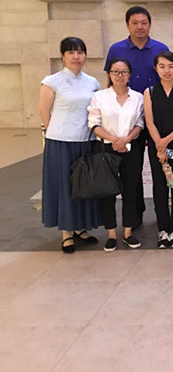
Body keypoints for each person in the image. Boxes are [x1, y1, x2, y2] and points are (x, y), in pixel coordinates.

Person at [104, 6, 169, 229]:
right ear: (127, 25)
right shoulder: (116, 49)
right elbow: (110, 81)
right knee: (132, 168)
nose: (139, 27)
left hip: (155, 118)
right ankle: (135, 213)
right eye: (135, 23)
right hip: (128, 118)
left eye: (144, 23)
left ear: (150, 24)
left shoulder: (160, 48)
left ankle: (163, 213)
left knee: (159, 163)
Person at [39, 37, 101, 253]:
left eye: (80, 52)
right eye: (71, 52)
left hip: (86, 142)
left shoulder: (92, 82)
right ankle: (66, 233)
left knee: (83, 185)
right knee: (64, 187)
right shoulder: (52, 81)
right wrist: (57, 133)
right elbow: (44, 113)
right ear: (63, 56)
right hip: (61, 142)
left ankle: (81, 228)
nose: (76, 56)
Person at [88, 58, 144, 252]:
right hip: (106, 149)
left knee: (131, 191)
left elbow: (140, 123)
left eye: (124, 72)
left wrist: (126, 139)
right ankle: (111, 234)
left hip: (130, 148)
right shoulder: (99, 97)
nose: (120, 75)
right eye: (115, 72)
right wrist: (114, 139)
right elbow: (93, 123)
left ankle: (128, 232)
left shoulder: (137, 97)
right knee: (108, 192)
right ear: (109, 74)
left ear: (130, 74)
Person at [144, 52, 173, 248]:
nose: (167, 70)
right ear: (156, 69)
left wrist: (166, 141)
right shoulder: (150, 92)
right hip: (157, 147)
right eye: (162, 66)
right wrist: (160, 145)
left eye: (171, 66)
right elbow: (149, 122)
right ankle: (163, 230)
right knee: (160, 187)